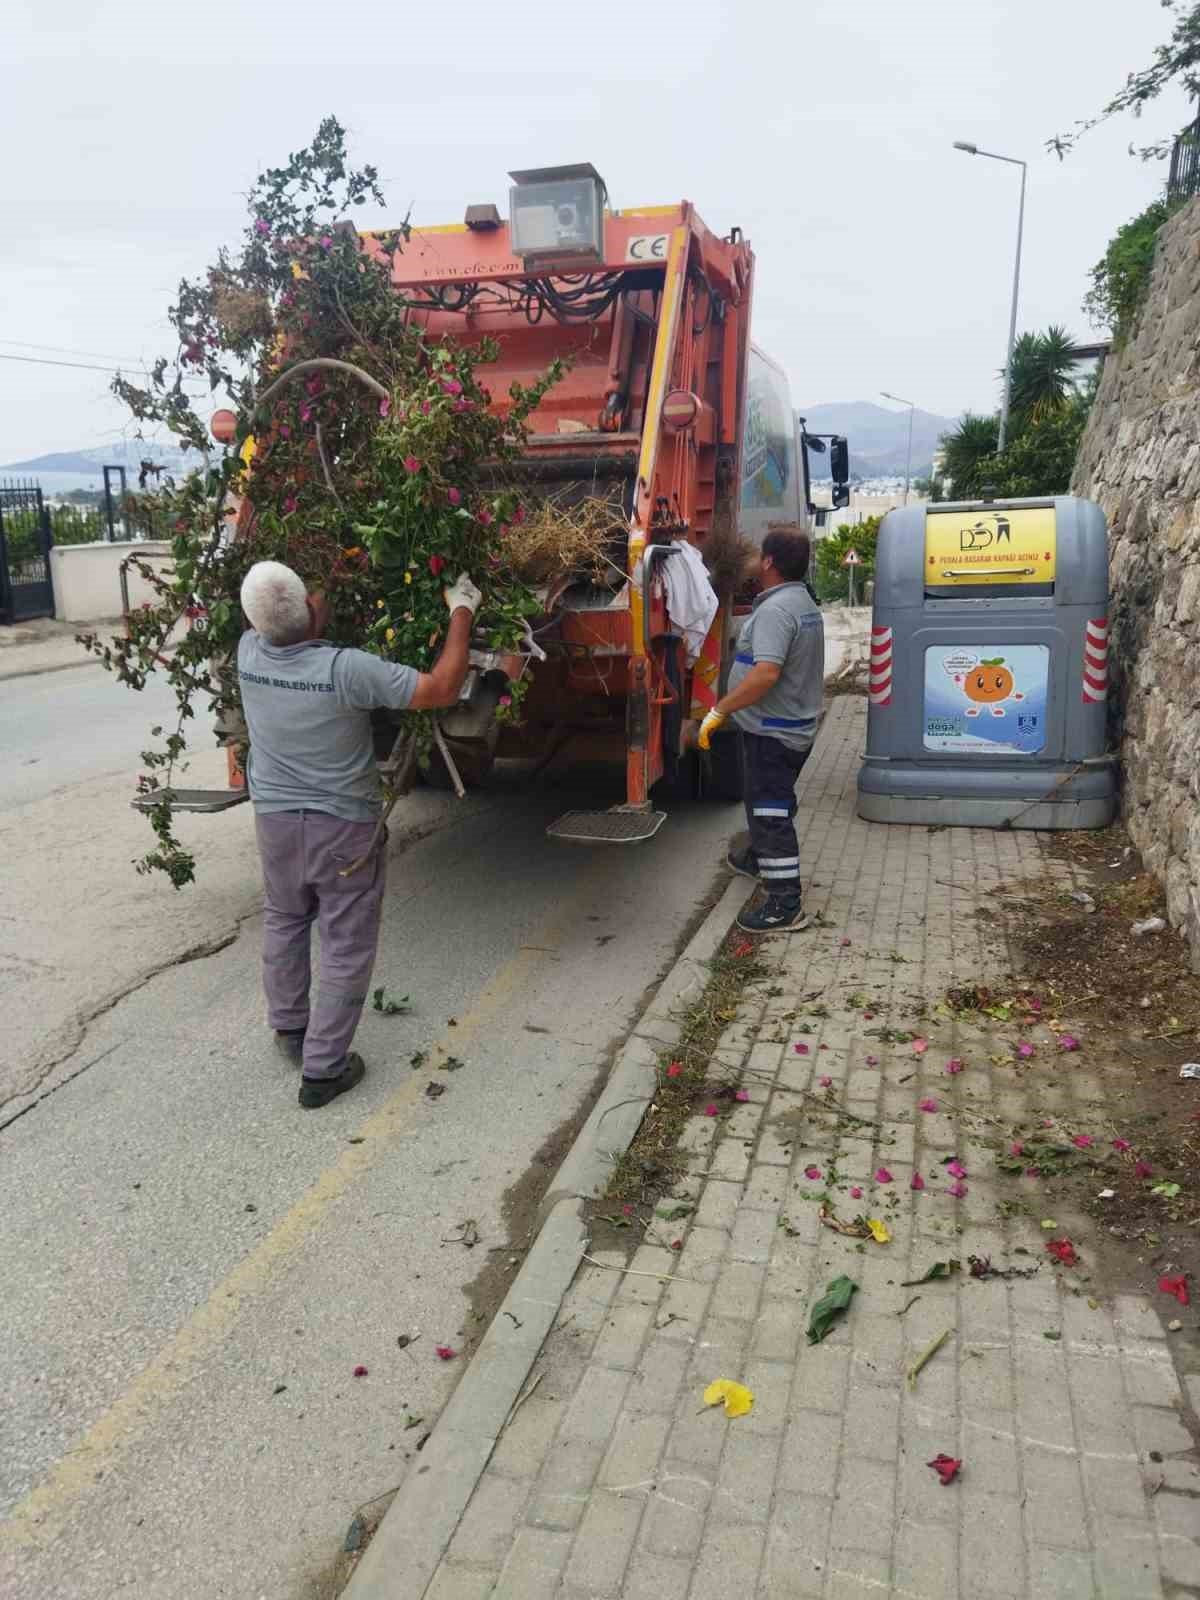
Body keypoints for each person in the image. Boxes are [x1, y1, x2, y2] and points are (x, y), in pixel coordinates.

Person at [236, 560, 481, 1108]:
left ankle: (291, 1028)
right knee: (345, 942)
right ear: (308, 611)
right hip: (341, 827)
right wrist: (461, 610)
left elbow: (284, 622)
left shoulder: (248, 654)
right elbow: (441, 688)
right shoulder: (346, 670)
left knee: (284, 917)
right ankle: (324, 1070)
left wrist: (328, 580)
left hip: (275, 822)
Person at [696, 525, 823, 934]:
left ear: (769, 562)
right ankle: (757, 856)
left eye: (758, 556)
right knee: (764, 797)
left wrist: (720, 710)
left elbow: (766, 674)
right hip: (787, 726)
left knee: (770, 809)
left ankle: (784, 904)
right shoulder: (801, 601)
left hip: (774, 731)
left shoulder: (776, 611)